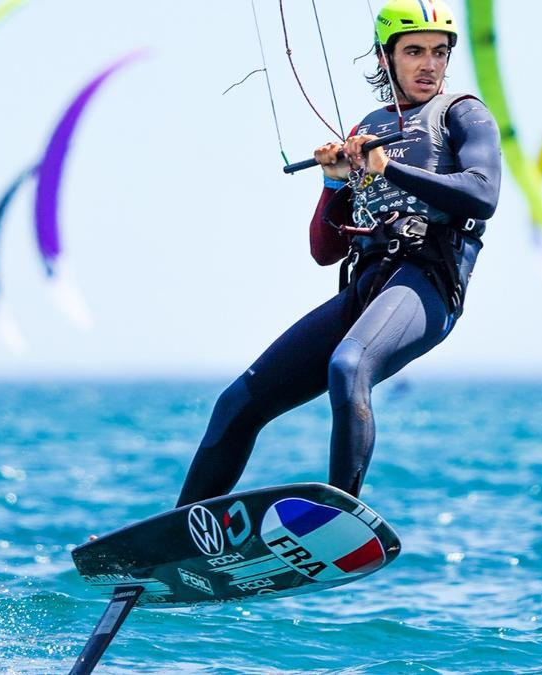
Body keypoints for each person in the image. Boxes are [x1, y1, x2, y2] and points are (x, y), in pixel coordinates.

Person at [175, 0, 501, 507]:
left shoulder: (463, 114)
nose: (429, 64)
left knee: (349, 367)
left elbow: (483, 194)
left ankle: (338, 514)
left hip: (428, 284)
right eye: (413, 51)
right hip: (367, 287)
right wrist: (335, 181)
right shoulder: (366, 128)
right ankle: (179, 537)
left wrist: (384, 166)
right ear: (385, 58)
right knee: (238, 402)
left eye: (439, 52)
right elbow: (324, 252)